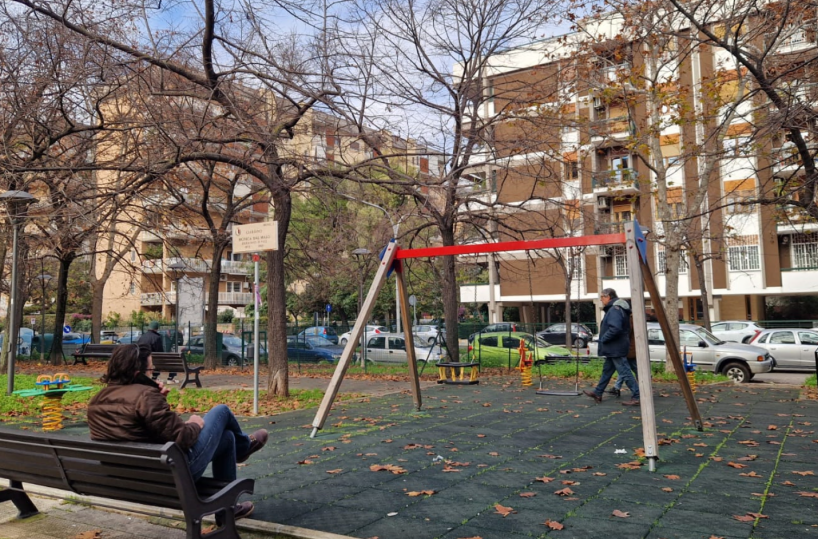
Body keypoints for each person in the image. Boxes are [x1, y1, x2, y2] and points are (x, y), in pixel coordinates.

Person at [87, 344, 267, 520]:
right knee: (221, 411)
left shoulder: (97, 401)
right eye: (151, 370)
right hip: (171, 476)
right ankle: (244, 448)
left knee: (227, 438)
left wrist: (160, 402)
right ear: (137, 373)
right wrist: (195, 423)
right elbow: (183, 437)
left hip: (127, 479)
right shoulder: (146, 396)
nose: (153, 373)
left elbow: (140, 431)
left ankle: (228, 510)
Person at [583, 289, 640, 406]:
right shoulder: (618, 309)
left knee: (624, 372)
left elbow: (615, 328)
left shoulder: (615, 310)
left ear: (608, 296)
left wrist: (604, 339)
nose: (601, 299)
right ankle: (598, 392)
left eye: (602, 297)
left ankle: (637, 396)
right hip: (615, 347)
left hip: (615, 347)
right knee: (607, 371)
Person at [609, 313, 638, 397]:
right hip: (631, 348)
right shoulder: (634, 318)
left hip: (629, 348)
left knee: (625, 369)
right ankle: (616, 387)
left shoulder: (630, 319)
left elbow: (627, 333)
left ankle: (638, 390)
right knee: (625, 368)